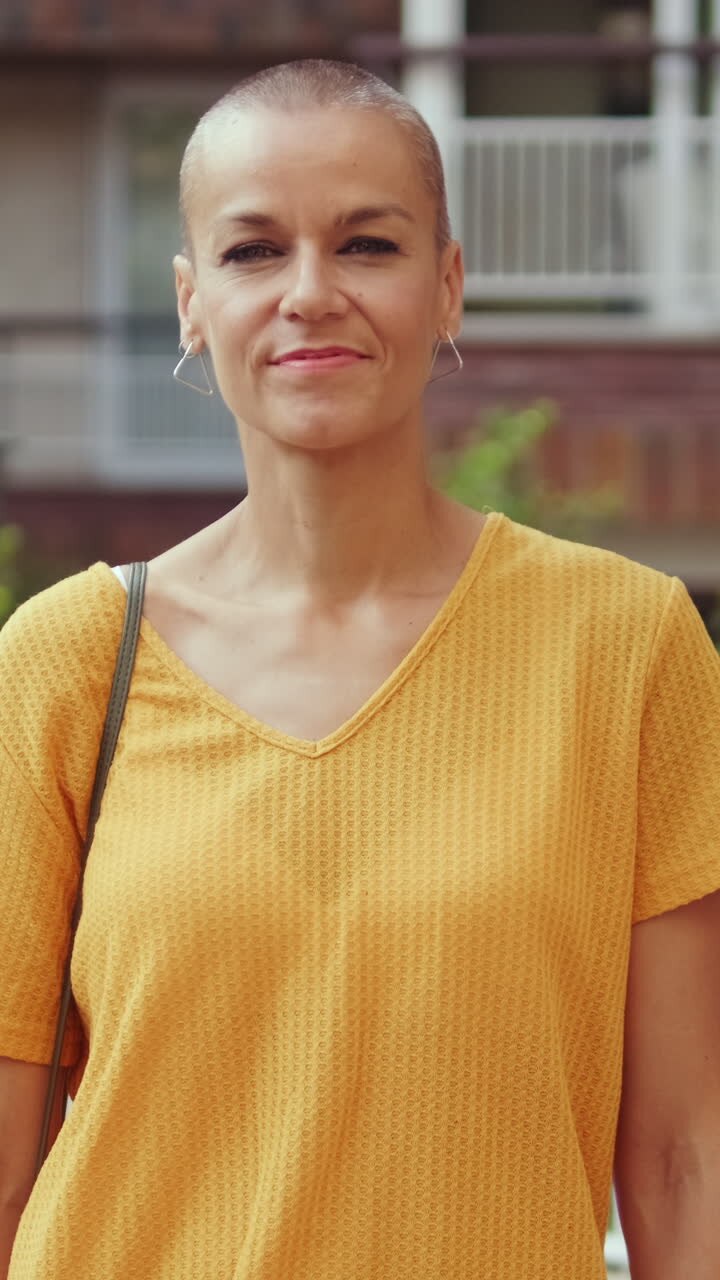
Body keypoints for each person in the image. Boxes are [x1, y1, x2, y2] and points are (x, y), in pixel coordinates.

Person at [1, 58, 719, 1280]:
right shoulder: (63, 664)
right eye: (252, 251)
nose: (311, 294)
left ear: (448, 286)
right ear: (190, 302)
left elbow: (681, 1159)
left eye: (368, 245)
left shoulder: (628, 646)